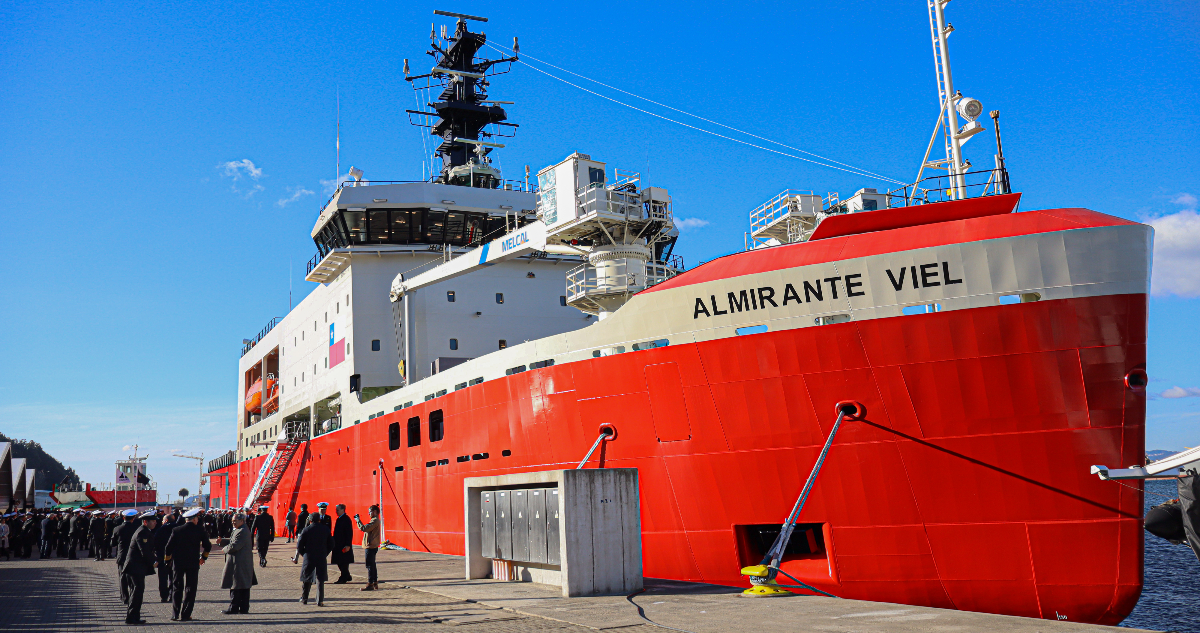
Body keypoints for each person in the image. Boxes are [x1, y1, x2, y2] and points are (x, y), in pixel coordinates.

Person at [163, 508, 212, 621]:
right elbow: (208, 546)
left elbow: (168, 548)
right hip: (193, 563)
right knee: (190, 588)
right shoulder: (200, 530)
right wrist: (203, 558)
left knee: (177, 588)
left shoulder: (176, 530)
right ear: (194, 519)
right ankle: (186, 614)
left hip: (178, 563)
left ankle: (175, 614)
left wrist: (167, 561)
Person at [119, 511, 159, 625]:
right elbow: (144, 551)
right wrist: (154, 561)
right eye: (153, 521)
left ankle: (134, 617)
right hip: (135, 567)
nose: (155, 523)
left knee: (137, 592)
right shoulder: (142, 532)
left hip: (137, 566)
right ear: (146, 522)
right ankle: (131, 617)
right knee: (137, 592)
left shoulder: (145, 531)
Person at [220, 512, 257, 615]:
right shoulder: (241, 529)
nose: (233, 523)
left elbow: (235, 546)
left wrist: (225, 549)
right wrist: (222, 541)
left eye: (235, 521)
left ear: (241, 521)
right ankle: (244, 608)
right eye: (232, 521)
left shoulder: (242, 531)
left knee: (236, 585)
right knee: (243, 586)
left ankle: (234, 608)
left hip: (239, 563)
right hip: (242, 562)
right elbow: (233, 541)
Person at [293, 513, 329, 606]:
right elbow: (332, 543)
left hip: (309, 556)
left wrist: (304, 554)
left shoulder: (306, 529)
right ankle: (320, 600)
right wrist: (325, 553)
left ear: (310, 520)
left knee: (307, 577)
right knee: (320, 579)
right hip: (321, 556)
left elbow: (299, 545)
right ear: (319, 520)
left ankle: (304, 598)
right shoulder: (325, 529)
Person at [112, 509, 140, 604]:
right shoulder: (137, 528)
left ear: (123, 518)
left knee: (122, 578)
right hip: (134, 556)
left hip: (122, 555)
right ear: (133, 518)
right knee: (133, 578)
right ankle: (133, 597)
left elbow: (113, 543)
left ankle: (125, 597)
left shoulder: (117, 529)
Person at [354, 505, 381, 591]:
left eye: (370, 511)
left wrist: (358, 521)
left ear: (375, 512)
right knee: (372, 564)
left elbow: (364, 528)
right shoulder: (375, 520)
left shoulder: (375, 520)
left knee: (369, 565)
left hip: (370, 546)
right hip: (372, 545)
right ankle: (375, 582)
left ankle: (370, 584)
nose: (369, 513)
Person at [153, 512, 176, 603]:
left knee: (163, 578)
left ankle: (164, 596)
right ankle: (172, 595)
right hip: (175, 557)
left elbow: (155, 544)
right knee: (173, 577)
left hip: (162, 556)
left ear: (166, 520)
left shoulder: (160, 530)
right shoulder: (178, 529)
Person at [331, 504, 354, 583]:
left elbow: (349, 533)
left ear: (343, 510)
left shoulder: (346, 519)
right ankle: (347, 575)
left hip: (343, 545)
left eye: (337, 510)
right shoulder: (339, 519)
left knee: (343, 562)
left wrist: (348, 544)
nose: (336, 512)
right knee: (340, 561)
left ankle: (343, 577)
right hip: (338, 545)